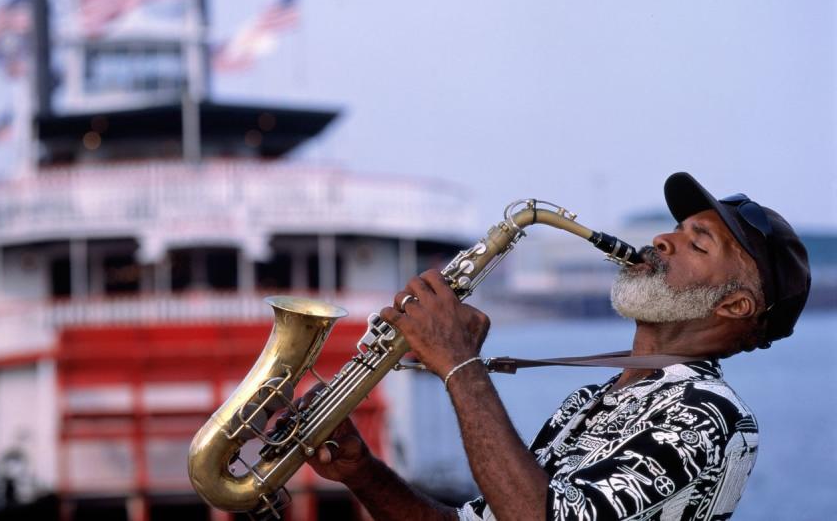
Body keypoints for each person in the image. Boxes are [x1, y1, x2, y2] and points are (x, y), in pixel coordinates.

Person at [300, 172, 811, 520]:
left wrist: (461, 364)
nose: (661, 240)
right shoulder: (589, 400)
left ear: (735, 306)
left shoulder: (710, 415)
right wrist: (361, 472)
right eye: (675, 228)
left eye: (697, 243)